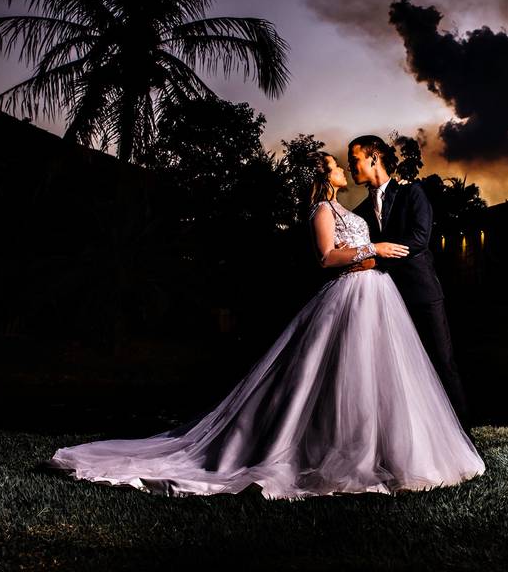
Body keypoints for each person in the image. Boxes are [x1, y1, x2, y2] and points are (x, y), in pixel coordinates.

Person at [42, 152, 485, 500]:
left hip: (376, 296)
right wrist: (373, 251)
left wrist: (375, 253)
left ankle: (385, 447)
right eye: (336, 166)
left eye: (347, 163)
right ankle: (337, 451)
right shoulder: (321, 211)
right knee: (335, 375)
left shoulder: (355, 205)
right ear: (323, 175)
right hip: (351, 292)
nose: (343, 170)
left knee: (378, 376)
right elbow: (327, 258)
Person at [347, 135, 471, 431]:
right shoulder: (361, 213)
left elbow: (419, 238)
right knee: (401, 371)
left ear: (374, 158)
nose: (351, 166)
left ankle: (463, 435)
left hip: (422, 293)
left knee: (442, 363)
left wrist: (378, 257)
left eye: (355, 160)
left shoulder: (412, 192)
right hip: (386, 299)